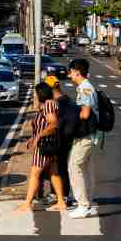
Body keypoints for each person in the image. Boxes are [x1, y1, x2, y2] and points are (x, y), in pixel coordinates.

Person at [16, 82, 68, 213]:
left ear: (40, 93)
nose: (35, 95)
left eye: (36, 93)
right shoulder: (51, 104)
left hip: (45, 145)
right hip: (51, 144)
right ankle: (61, 201)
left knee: (35, 174)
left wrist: (38, 137)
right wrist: (34, 137)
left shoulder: (49, 105)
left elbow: (53, 124)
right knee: (54, 173)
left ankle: (28, 203)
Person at [67, 58, 100, 219]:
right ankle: (87, 200)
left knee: (74, 167)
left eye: (71, 71)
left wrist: (71, 117)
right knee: (86, 169)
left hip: (86, 135)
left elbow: (85, 113)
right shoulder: (86, 87)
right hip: (91, 135)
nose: (69, 74)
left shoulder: (85, 89)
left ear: (77, 72)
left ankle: (83, 204)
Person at [48, 75, 79, 205]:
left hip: (60, 139)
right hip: (68, 138)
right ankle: (61, 194)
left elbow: (56, 123)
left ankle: (61, 195)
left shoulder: (57, 103)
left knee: (59, 168)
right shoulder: (68, 100)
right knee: (61, 167)